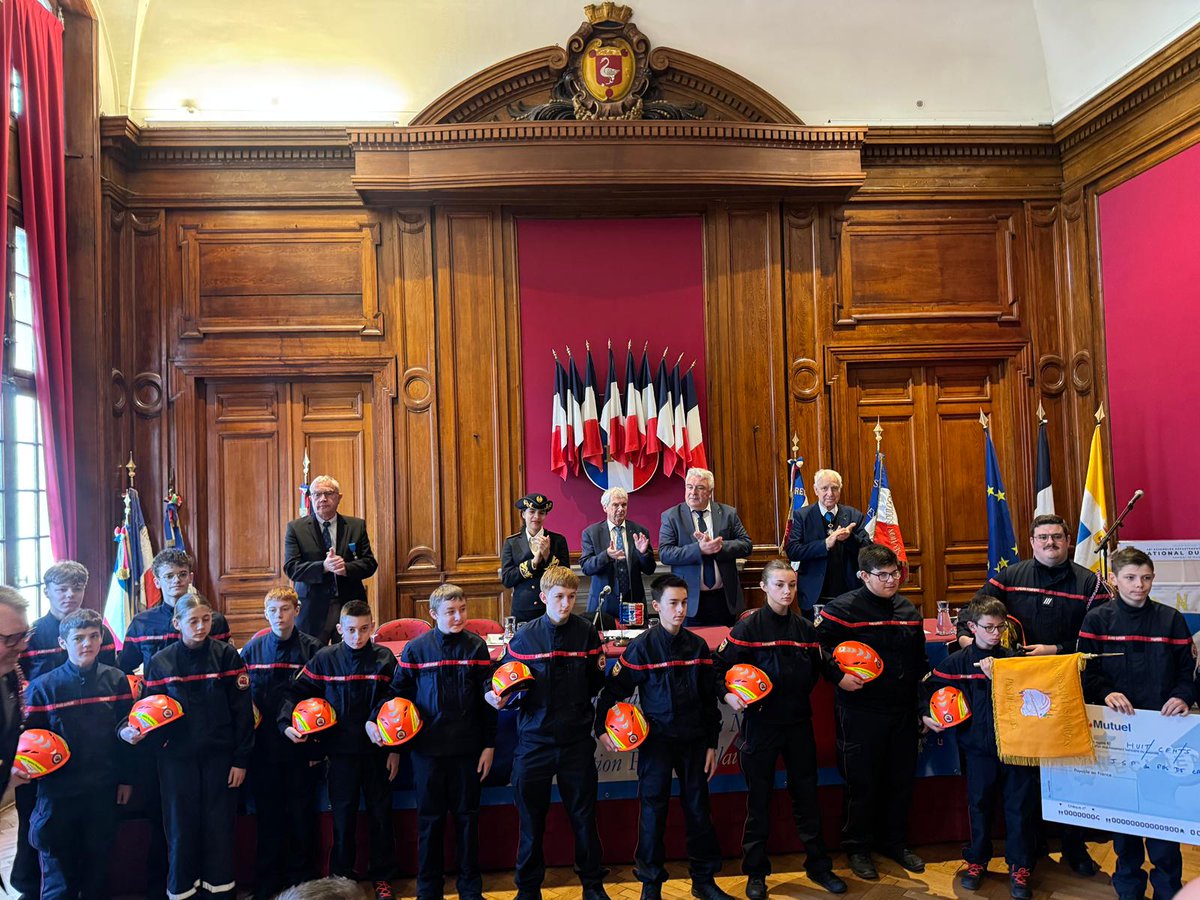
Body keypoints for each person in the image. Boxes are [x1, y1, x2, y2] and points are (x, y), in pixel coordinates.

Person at [959, 513, 1111, 876]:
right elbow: (973, 612)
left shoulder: (1089, 583)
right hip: (1018, 693)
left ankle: (1075, 847)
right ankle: (1032, 846)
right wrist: (970, 643)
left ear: (1068, 540)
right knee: (1024, 776)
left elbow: (1102, 636)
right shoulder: (1010, 576)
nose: (1049, 544)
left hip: (1066, 689)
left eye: (1056, 537)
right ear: (1031, 542)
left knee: (1068, 771)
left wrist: (1056, 649)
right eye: (1042, 537)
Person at [714, 560, 848, 898]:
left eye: (791, 585)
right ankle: (756, 873)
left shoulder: (805, 629)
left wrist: (846, 678)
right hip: (760, 726)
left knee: (807, 799)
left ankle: (819, 867)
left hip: (799, 724)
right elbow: (717, 668)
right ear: (763, 587)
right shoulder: (748, 629)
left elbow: (826, 666)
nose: (786, 592)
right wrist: (727, 694)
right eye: (779, 585)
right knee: (758, 802)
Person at [594, 574, 730, 900]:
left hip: (695, 740)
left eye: (684, 603)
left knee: (698, 810)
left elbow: (710, 700)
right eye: (673, 603)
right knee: (653, 811)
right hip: (656, 742)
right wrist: (601, 728)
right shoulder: (641, 647)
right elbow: (613, 691)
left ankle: (704, 880)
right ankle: (650, 884)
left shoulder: (697, 646)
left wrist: (712, 742)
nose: (680, 610)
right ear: (656, 606)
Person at [1078, 546, 1195, 900]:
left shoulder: (1171, 619)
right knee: (1124, 823)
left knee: (1163, 824)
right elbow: (1085, 674)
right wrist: (1106, 693)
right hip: (1118, 739)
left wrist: (1183, 696)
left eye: (1146, 578)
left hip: (1162, 737)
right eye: (1130, 578)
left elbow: (1188, 673)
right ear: (1113, 579)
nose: (1139, 586)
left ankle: (1168, 890)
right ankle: (1127, 888)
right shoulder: (1096, 620)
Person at [486, 566, 608, 900]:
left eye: (571, 597)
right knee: (531, 823)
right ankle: (528, 890)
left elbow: (599, 683)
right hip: (534, 744)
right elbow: (499, 679)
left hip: (576, 744)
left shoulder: (586, 633)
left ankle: (593, 886)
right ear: (543, 598)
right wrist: (493, 693)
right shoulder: (524, 637)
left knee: (584, 820)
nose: (566, 603)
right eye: (558, 597)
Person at [123, 593, 255, 900]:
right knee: (181, 831)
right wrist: (139, 735)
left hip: (220, 760)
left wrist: (241, 760)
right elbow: (151, 711)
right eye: (193, 621)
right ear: (177, 623)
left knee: (218, 830)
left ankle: (220, 893)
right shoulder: (160, 662)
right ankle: (182, 894)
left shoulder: (227, 657)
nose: (200, 627)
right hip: (175, 762)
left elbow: (243, 713)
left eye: (206, 620)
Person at [817, 544, 928, 880]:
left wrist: (921, 707)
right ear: (863, 576)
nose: (892, 580)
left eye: (895, 573)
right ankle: (857, 847)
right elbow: (817, 648)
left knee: (900, 781)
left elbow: (920, 663)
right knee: (861, 783)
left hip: (902, 711)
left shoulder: (908, 609)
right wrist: (839, 677)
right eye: (883, 575)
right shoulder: (842, 609)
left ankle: (894, 842)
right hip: (860, 711)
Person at [13, 561, 117, 900]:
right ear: (47, 593)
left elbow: (112, 680)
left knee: (90, 845)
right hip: (39, 754)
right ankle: (30, 889)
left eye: (77, 588)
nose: (70, 595)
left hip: (89, 758)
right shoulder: (28, 637)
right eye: (62, 589)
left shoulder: (99, 633)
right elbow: (16, 684)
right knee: (38, 831)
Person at [283, 599, 400, 900]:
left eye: (363, 629)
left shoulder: (386, 658)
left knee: (381, 818)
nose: (357, 637)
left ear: (372, 626)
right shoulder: (325, 659)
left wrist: (396, 751)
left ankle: (383, 877)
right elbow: (295, 694)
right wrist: (287, 725)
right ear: (339, 629)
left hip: (378, 754)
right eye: (350, 630)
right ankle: (342, 880)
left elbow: (398, 703)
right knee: (343, 821)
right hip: (339, 755)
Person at [923, 597, 1037, 899]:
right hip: (976, 749)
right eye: (988, 628)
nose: (995, 634)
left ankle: (1020, 866)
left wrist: (1001, 674)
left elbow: (1037, 695)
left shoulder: (1012, 659)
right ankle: (977, 860)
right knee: (980, 805)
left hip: (1016, 748)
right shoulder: (956, 662)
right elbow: (930, 690)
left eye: (1000, 628)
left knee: (1019, 807)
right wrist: (926, 713)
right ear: (972, 627)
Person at [388, 584, 496, 900]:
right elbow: (398, 698)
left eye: (462, 609)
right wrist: (395, 747)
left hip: (467, 750)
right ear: (433, 614)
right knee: (429, 822)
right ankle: (428, 888)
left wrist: (488, 745)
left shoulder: (477, 647)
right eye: (450, 612)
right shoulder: (415, 650)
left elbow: (487, 701)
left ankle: (470, 888)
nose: (459, 616)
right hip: (427, 752)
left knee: (467, 820)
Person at [240, 587, 323, 899]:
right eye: (273, 610)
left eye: (285, 609)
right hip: (264, 751)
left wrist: (316, 749)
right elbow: (243, 699)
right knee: (269, 819)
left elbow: (321, 701)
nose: (279, 615)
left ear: (296, 610)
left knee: (302, 818)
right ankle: (267, 885)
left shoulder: (313, 648)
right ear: (265, 613)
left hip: (301, 750)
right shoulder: (253, 649)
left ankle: (302, 885)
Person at [284, 475, 379, 644]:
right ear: (310, 497)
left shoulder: (356, 526)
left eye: (329, 493)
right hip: (311, 609)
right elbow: (291, 568)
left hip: (349, 606)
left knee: (348, 662)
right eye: (317, 494)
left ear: (339, 497)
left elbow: (370, 564)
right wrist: (324, 567)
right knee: (312, 662)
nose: (323, 499)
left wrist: (347, 568)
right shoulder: (296, 528)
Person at [659, 468, 753, 626]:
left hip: (723, 599)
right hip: (689, 600)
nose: (693, 492)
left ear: (710, 492)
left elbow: (746, 545)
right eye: (689, 487)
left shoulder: (728, 513)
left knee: (724, 647)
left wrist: (719, 546)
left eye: (700, 488)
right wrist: (699, 549)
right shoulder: (672, 516)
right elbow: (665, 553)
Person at [784, 470, 872, 616]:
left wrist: (850, 539)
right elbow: (793, 551)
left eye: (835, 488)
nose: (830, 493)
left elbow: (868, 551)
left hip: (848, 594)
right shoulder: (802, 515)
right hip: (813, 595)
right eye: (824, 488)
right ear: (815, 490)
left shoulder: (853, 515)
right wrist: (824, 544)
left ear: (840, 489)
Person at [580, 487, 656, 625]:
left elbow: (650, 569)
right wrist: (606, 555)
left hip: (633, 602)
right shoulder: (591, 533)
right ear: (605, 507)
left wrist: (643, 553)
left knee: (634, 643)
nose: (621, 508)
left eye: (624, 504)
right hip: (603, 604)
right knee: (604, 645)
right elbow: (586, 567)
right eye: (615, 505)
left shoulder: (640, 531)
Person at [500, 493, 570, 624]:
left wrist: (547, 557)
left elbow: (566, 578)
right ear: (523, 514)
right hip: (523, 610)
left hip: (551, 608)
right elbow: (507, 579)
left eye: (541, 513)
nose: (536, 517)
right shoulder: (512, 542)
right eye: (532, 512)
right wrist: (533, 563)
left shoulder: (558, 540)